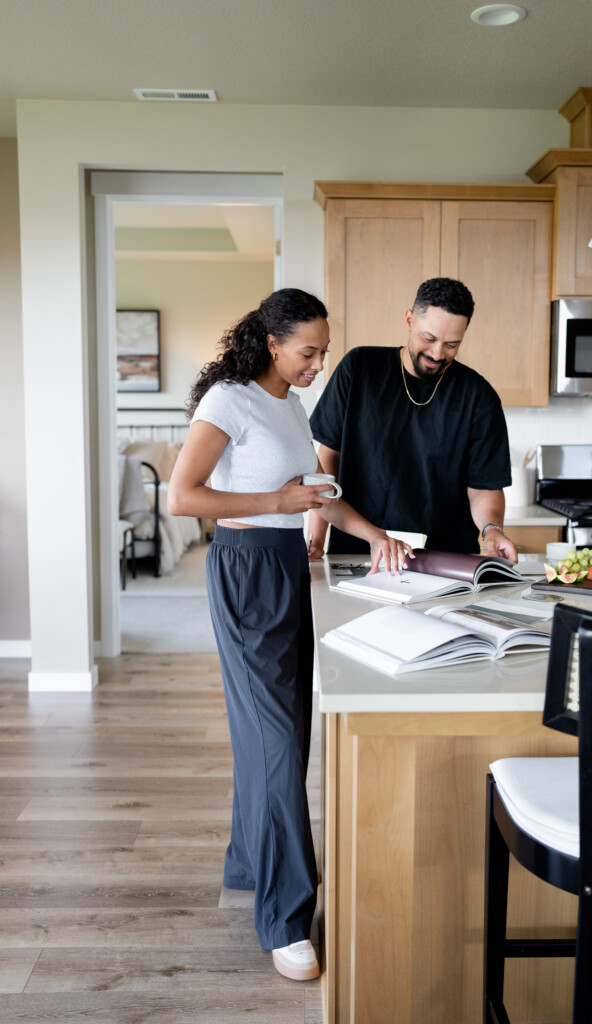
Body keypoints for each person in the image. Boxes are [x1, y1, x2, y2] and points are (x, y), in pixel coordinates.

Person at [167, 288, 412, 983]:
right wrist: (277, 502)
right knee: (275, 742)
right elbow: (183, 497)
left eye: (322, 353)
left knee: (284, 731)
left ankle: (249, 862)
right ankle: (283, 918)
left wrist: (373, 535)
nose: (316, 364)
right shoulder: (228, 400)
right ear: (272, 342)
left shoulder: (284, 402)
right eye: (308, 352)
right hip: (245, 569)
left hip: (282, 567)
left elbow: (312, 487)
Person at [307, 276, 517, 563]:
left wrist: (491, 530)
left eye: (452, 345)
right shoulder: (359, 369)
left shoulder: (479, 396)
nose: (437, 353)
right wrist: (317, 538)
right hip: (360, 552)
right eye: (428, 339)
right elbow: (328, 457)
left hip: (444, 560)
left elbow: (484, 488)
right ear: (409, 320)